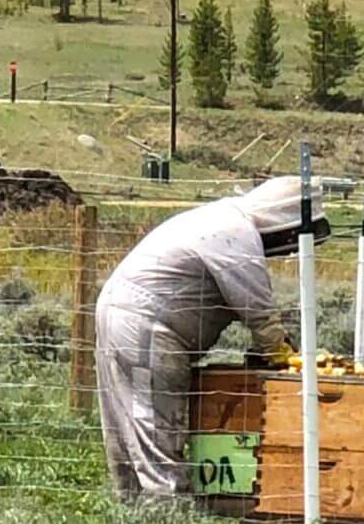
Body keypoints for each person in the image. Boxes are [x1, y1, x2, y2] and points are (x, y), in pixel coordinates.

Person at [95, 175, 327, 498]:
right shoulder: (234, 231)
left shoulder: (222, 219)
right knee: (155, 426)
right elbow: (256, 306)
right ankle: (165, 521)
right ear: (284, 219)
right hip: (147, 324)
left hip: (127, 313)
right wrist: (280, 351)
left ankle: (131, 512)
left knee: (130, 422)